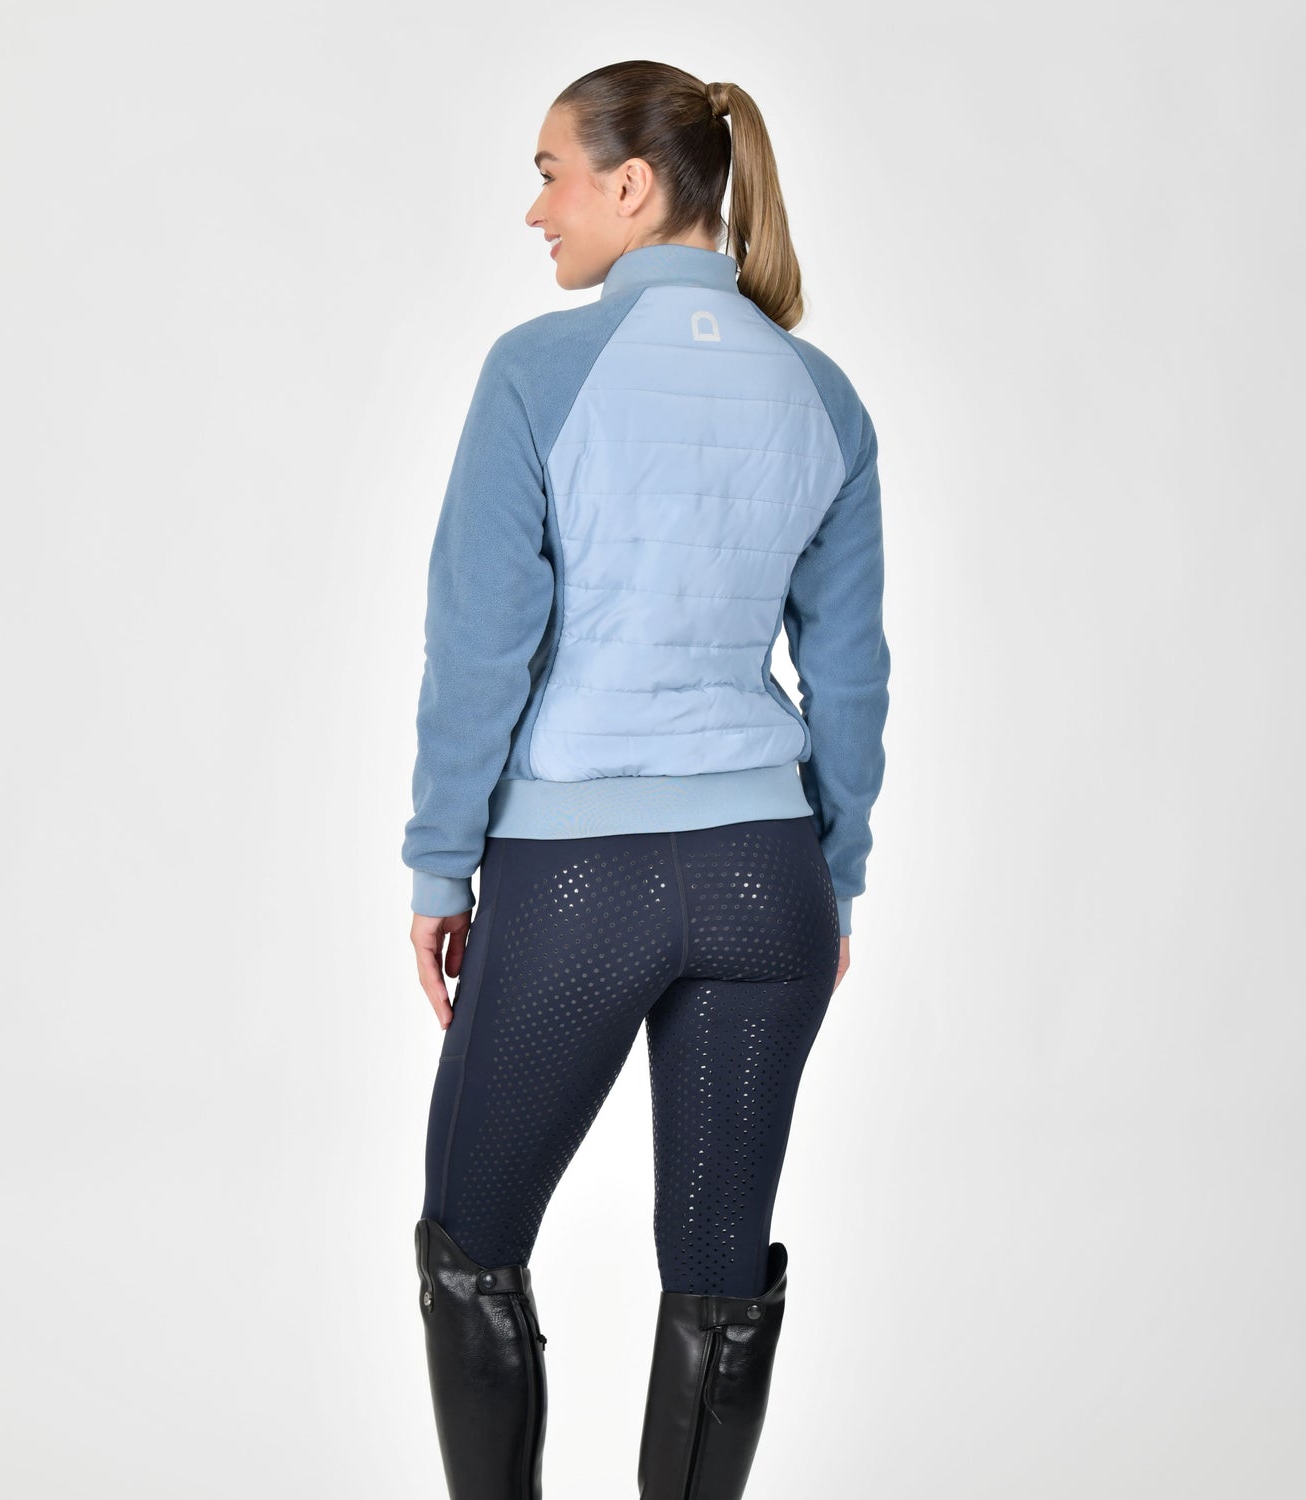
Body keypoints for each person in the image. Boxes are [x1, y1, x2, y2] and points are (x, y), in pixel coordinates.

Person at [402, 58, 891, 1500]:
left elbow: (479, 645)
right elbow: (850, 675)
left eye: (551, 173)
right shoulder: (823, 394)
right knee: (718, 1273)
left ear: (631, 185)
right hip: (768, 883)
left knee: (472, 1243)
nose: (535, 209)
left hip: (578, 881)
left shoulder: (535, 373)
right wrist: (836, 877)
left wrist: (440, 862)